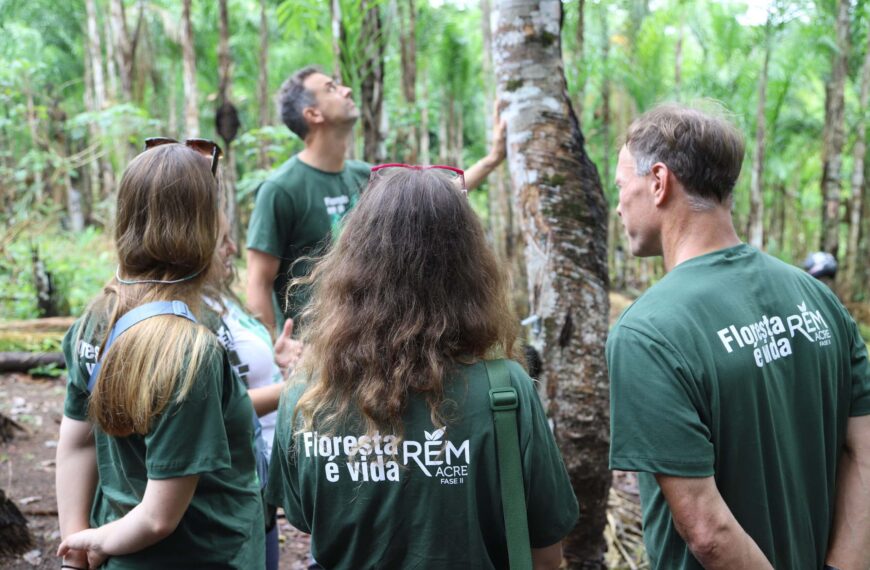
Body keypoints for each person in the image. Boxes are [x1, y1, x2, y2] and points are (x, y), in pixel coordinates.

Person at [266, 166, 579, 569]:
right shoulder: (505, 391)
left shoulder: (308, 393)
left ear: (353, 261)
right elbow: (546, 555)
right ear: (468, 266)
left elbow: (307, 520)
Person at [607, 104, 870, 569]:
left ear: (659, 182)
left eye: (621, 186)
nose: (618, 204)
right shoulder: (817, 299)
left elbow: (708, 533)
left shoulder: (647, 333)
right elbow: (865, 451)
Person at [55, 142, 265, 569]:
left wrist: (76, 543)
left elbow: (76, 444)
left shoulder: (96, 321)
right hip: (206, 556)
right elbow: (156, 518)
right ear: (204, 225)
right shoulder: (189, 350)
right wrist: (91, 543)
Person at [246, 65, 508, 333]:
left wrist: (492, 159)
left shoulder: (367, 176)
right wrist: (273, 352)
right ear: (313, 113)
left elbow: (432, 197)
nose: (346, 90)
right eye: (331, 88)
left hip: (367, 342)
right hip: (312, 350)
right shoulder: (280, 189)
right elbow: (258, 280)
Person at [208, 214, 303, 570]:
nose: (233, 248)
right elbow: (219, 406)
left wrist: (275, 358)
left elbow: (240, 373)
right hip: (227, 489)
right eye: (224, 240)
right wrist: (295, 388)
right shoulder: (185, 315)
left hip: (258, 481)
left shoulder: (222, 297)